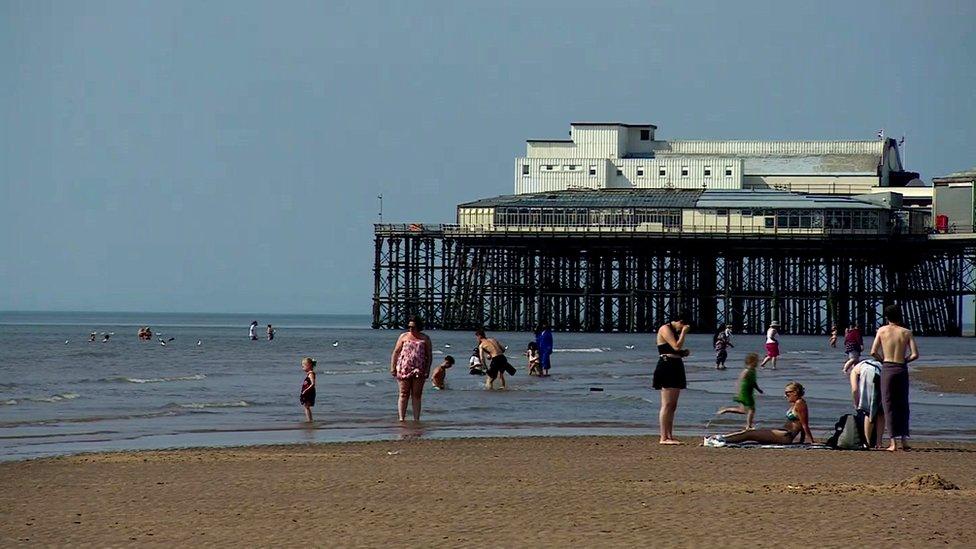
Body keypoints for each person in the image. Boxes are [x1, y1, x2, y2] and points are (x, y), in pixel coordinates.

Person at [870, 304, 919, 452]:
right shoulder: (906, 332)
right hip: (901, 368)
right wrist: (905, 360)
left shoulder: (882, 330)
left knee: (888, 405)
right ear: (900, 316)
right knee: (902, 404)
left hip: (888, 368)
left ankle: (893, 442)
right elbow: (915, 354)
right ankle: (904, 439)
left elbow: (873, 352)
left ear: (886, 317)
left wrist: (882, 360)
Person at [708, 382, 815, 445]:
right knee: (751, 432)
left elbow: (804, 425)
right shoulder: (796, 403)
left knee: (749, 434)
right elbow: (801, 425)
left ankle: (722, 439)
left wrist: (811, 443)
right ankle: (722, 438)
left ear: (795, 393)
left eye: (787, 393)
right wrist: (801, 441)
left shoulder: (800, 403)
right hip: (783, 433)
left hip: (785, 436)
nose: (785, 396)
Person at [653, 311, 691, 445]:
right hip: (666, 365)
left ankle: (669, 435)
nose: (683, 329)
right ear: (680, 322)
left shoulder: (675, 331)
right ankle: (663, 437)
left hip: (676, 365)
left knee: (673, 405)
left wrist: (682, 353)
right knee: (667, 404)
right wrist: (683, 333)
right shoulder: (665, 328)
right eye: (683, 326)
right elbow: (676, 345)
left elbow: (674, 349)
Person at [390, 316, 433, 421]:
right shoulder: (403, 336)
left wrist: (427, 369)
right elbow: (396, 352)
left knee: (417, 394)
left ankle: (416, 418)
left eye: (413, 327)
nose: (411, 329)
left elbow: (429, 355)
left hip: (419, 368)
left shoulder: (425, 338)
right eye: (409, 327)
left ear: (418, 327)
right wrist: (393, 367)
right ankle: (401, 418)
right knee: (404, 393)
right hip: (404, 368)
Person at [717, 352, 763, 429]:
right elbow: (740, 381)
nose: (758, 363)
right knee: (752, 409)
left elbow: (753, 382)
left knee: (743, 410)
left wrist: (758, 389)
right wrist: (738, 392)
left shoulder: (753, 371)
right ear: (751, 362)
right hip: (745, 392)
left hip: (749, 391)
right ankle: (749, 426)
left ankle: (726, 409)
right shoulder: (747, 371)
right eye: (756, 361)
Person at [849, 358, 885, 448]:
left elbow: (854, 389)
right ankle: (879, 442)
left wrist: (856, 404)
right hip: (882, 371)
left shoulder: (854, 371)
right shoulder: (871, 363)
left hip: (869, 372)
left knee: (868, 410)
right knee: (881, 412)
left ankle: (867, 441)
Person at [299, 357, 317, 422]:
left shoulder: (311, 374)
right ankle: (309, 419)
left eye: (303, 366)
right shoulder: (309, 374)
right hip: (307, 392)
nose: (302, 368)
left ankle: (310, 420)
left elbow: (313, 384)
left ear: (308, 365)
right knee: (306, 406)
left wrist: (306, 390)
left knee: (307, 406)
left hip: (309, 392)